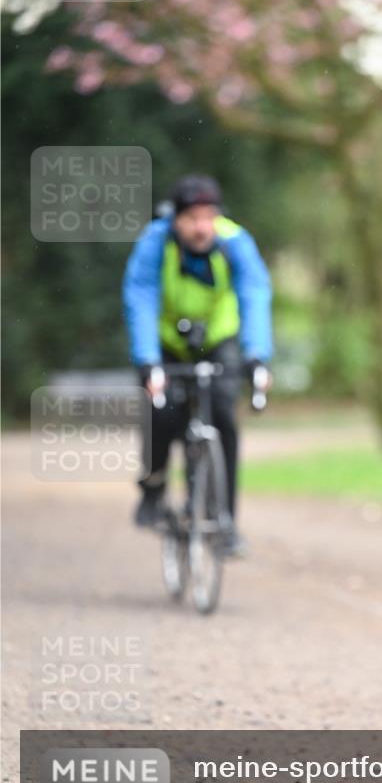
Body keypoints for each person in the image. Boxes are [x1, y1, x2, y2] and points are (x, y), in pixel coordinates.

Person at [122, 174, 273, 552]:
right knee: (162, 411)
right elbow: (140, 297)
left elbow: (254, 294)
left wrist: (257, 357)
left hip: (218, 338)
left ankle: (224, 522)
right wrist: (148, 362)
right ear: (175, 219)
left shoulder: (234, 241)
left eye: (208, 216)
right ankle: (153, 486)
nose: (201, 226)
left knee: (223, 417)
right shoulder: (155, 242)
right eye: (191, 218)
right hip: (168, 341)